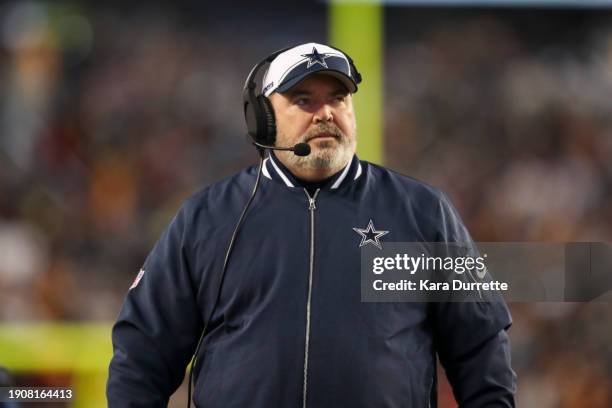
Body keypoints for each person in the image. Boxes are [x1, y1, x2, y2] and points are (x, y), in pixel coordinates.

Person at [107, 42, 516, 407]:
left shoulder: (424, 212)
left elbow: (479, 347)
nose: (326, 113)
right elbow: (143, 352)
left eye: (338, 99)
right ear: (263, 120)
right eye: (303, 100)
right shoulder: (206, 217)